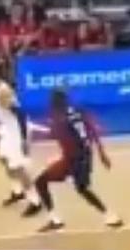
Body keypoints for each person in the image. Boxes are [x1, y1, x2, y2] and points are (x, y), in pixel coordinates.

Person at [34, 90, 122, 233]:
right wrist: (102, 153)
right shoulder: (79, 112)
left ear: (55, 103)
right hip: (84, 155)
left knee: (78, 188)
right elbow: (93, 131)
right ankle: (56, 220)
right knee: (48, 182)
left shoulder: (61, 119)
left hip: (73, 159)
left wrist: (36, 131)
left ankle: (111, 216)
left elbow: (55, 135)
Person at [0, 62, 42, 214]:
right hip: (7, 129)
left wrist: (23, 139)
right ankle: (17, 192)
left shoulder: (3, 92)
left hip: (17, 130)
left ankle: (35, 201)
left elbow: (20, 115)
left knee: (18, 168)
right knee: (4, 159)